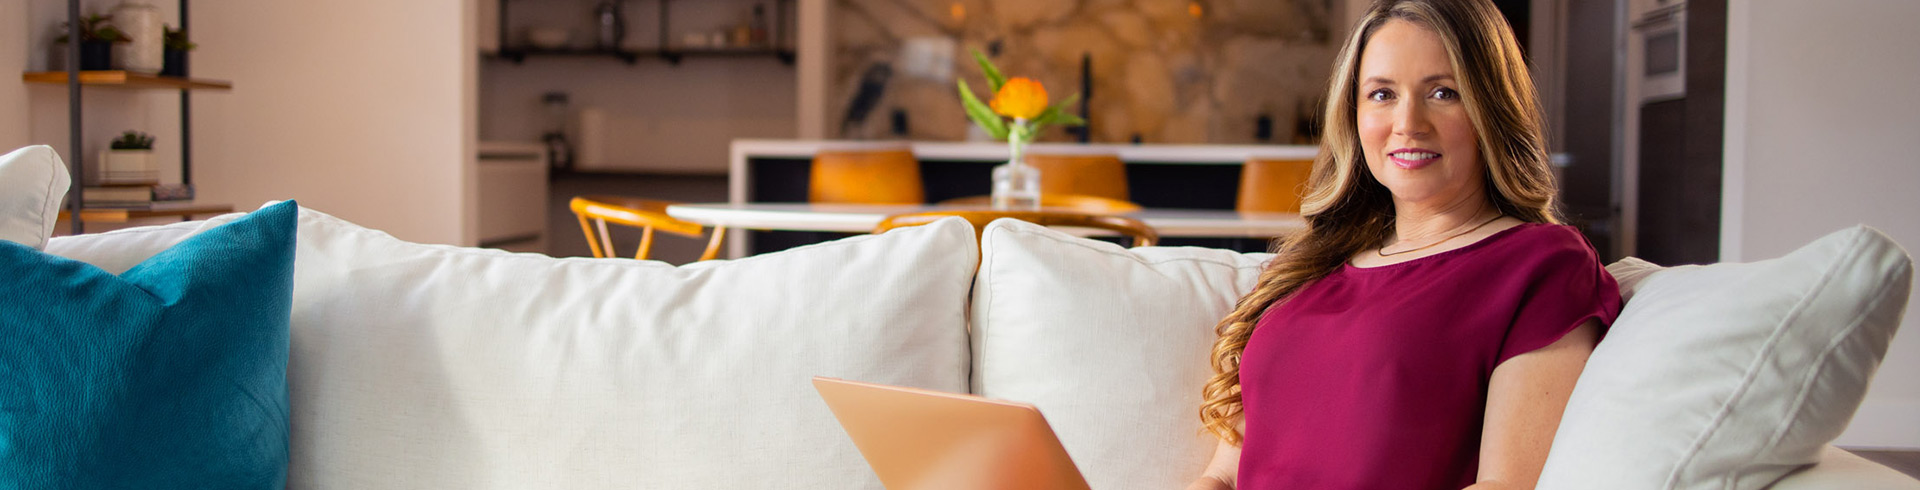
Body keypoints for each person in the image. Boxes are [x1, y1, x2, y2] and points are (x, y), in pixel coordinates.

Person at [1185, 0, 1622, 489]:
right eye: (1382, 94)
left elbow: (1505, 485)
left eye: (1443, 92)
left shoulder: (1540, 265)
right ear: (1353, 115)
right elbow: (1223, 474)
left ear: (1490, 110)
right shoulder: (1309, 268)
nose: (1408, 121)